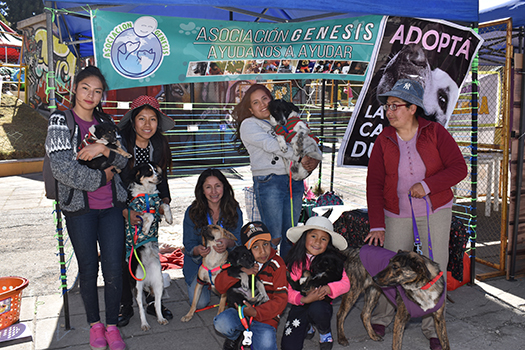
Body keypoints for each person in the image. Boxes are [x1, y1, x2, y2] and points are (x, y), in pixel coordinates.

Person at [365, 78, 467, 350]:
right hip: (395, 210)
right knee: (393, 267)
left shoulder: (435, 132)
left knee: (434, 268)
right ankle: (385, 317)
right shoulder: (383, 139)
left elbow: (459, 168)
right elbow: (373, 183)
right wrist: (377, 223)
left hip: (435, 208)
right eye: (387, 106)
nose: (389, 111)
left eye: (395, 105)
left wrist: (427, 185)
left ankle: (433, 326)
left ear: (413, 108)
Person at [45, 65, 128, 350]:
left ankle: (113, 326)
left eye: (97, 91)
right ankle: (95, 325)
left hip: (112, 208)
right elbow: (62, 169)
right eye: (85, 89)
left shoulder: (106, 122)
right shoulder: (60, 121)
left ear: (102, 95)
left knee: (114, 268)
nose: (91, 95)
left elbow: (124, 160)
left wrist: (104, 150)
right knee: (89, 268)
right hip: (79, 211)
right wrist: (102, 176)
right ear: (75, 89)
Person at [232, 84, 319, 259]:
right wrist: (302, 157)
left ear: (271, 99)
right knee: (273, 235)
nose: (262, 104)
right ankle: (268, 274)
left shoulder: (283, 119)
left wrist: (314, 158)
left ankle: (287, 275)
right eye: (256, 102)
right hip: (270, 181)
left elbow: (305, 139)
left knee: (291, 233)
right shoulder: (249, 124)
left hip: (293, 179)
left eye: (265, 99)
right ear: (250, 109)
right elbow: (271, 145)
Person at [116, 95, 175, 327]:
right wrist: (123, 210)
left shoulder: (159, 144)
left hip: (149, 207)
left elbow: (162, 178)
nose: (147, 124)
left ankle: (153, 301)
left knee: (150, 253)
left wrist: (165, 201)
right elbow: (114, 180)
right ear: (133, 121)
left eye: (152, 119)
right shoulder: (122, 145)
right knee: (123, 255)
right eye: (142, 119)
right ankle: (125, 304)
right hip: (122, 206)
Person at [214, 221, 288, 350]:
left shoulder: (277, 264)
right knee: (222, 322)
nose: (262, 251)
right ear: (246, 250)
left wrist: (256, 312)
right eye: (255, 247)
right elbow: (219, 286)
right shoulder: (239, 261)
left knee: (265, 346)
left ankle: (253, 335)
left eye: (265, 244)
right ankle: (235, 336)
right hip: (240, 312)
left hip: (266, 316)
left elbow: (281, 300)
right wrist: (241, 271)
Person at [281, 216, 349, 350]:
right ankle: (309, 325)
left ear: (328, 243)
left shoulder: (333, 261)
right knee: (289, 347)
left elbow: (346, 283)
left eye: (323, 239)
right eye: (313, 236)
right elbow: (286, 288)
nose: (317, 242)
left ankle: (324, 331)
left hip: (320, 304)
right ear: (304, 237)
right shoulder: (295, 261)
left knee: (317, 309)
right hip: (300, 304)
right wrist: (303, 299)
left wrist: (329, 288)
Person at [182, 168, 243, 309]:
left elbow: (239, 239)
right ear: (202, 191)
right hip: (199, 264)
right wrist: (198, 250)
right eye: (208, 187)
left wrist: (228, 243)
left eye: (218, 186)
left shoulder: (234, 209)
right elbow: (189, 243)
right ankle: (209, 284)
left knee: (235, 298)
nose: (214, 192)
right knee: (201, 303)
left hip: (225, 264)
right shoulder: (192, 212)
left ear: (224, 187)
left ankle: (218, 284)